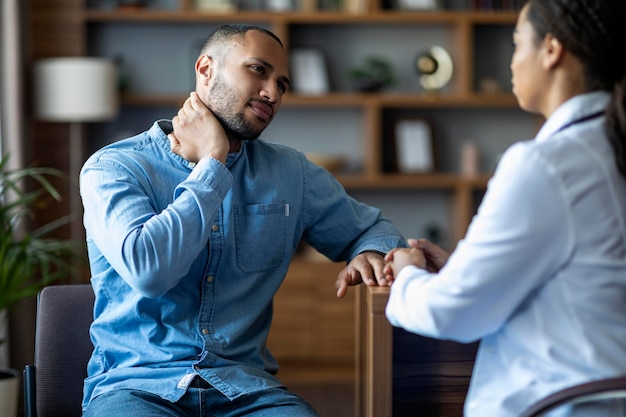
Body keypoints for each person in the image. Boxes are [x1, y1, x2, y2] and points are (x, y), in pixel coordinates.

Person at [79, 24, 405, 417]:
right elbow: (150, 270)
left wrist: (370, 250)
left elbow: (375, 228)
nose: (272, 93)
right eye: (257, 70)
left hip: (248, 392)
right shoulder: (114, 167)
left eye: (282, 84)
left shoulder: (290, 172)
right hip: (135, 389)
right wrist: (212, 164)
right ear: (205, 70)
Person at [383, 1, 626, 416]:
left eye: (517, 45)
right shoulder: (608, 147)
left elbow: (452, 314)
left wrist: (407, 273)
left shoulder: (546, 164)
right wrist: (466, 265)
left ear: (551, 50)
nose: (512, 63)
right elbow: (588, 275)